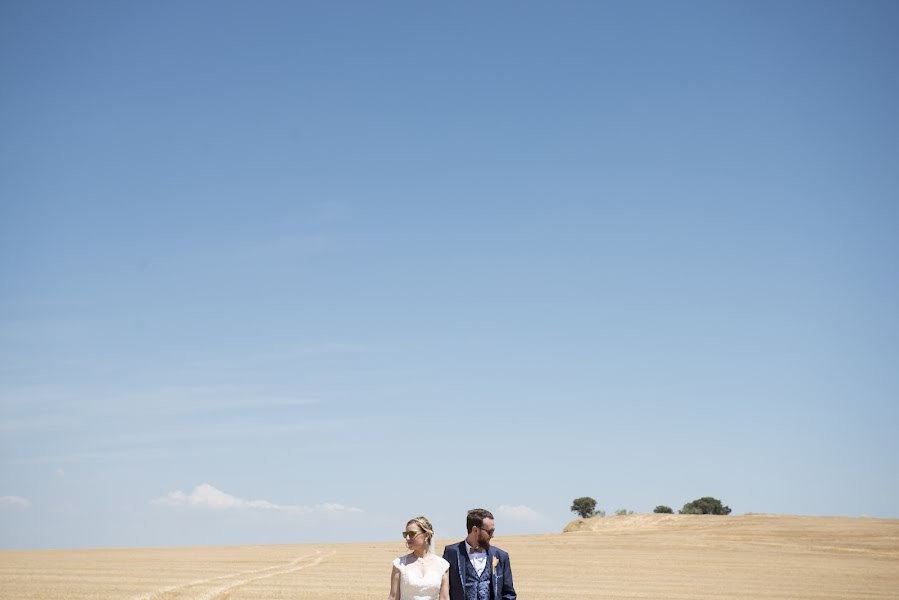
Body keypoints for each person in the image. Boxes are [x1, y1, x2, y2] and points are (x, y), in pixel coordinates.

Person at [443, 508, 516, 600]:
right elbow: (443, 590)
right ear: (475, 530)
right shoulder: (451, 553)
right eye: (490, 532)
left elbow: (509, 594)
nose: (492, 535)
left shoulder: (501, 556)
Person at [388, 516, 450, 600]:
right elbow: (393, 597)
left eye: (412, 534)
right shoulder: (399, 564)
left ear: (427, 535)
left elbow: (444, 597)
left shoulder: (442, 565)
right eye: (405, 534)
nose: (407, 538)